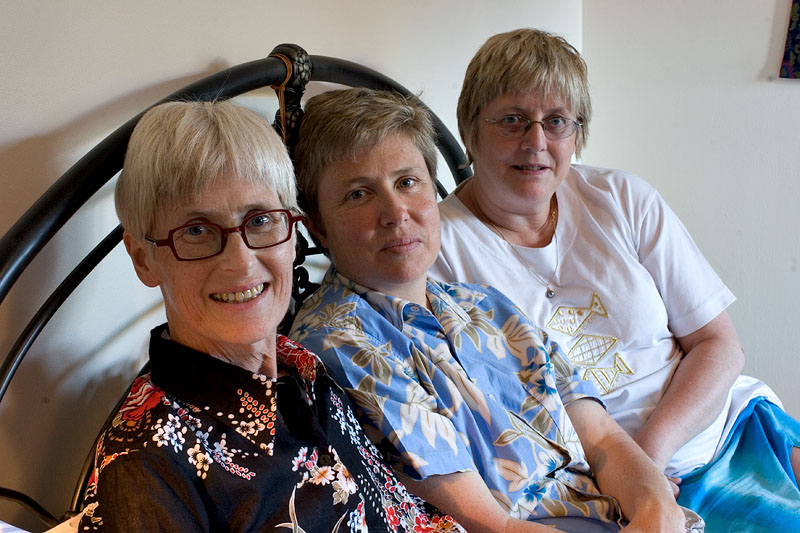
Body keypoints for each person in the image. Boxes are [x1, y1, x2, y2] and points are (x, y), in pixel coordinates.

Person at [430, 28, 800, 530]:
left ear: (577, 133)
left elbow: (719, 345)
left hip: (726, 427)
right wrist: (635, 480)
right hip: (591, 486)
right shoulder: (437, 249)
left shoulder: (623, 198)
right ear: (471, 128)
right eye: (512, 120)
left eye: (556, 121)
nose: (536, 142)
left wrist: (649, 455)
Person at [289, 87, 687, 532]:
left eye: (407, 182)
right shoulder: (340, 343)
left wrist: (657, 510)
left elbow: (602, 437)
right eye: (359, 194)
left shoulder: (485, 305)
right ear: (319, 227)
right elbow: (488, 525)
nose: (395, 212)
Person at [77, 100, 463, 532]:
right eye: (197, 231)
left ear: (293, 236)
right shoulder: (147, 461)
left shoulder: (300, 368)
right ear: (143, 259)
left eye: (260, 220)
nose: (241, 263)